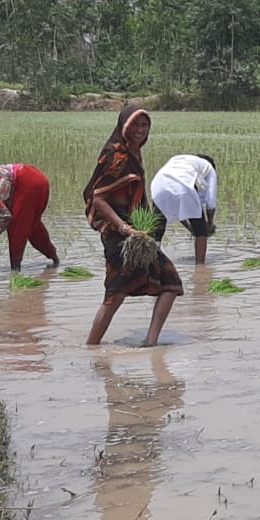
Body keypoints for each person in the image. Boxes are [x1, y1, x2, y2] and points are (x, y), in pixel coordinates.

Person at [82, 106, 183, 346]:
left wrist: (141, 228)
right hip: (118, 236)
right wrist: (125, 228)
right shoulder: (115, 156)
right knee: (115, 294)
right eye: (135, 125)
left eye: (144, 125)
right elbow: (98, 198)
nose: (140, 130)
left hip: (138, 234)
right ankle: (91, 347)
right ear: (124, 127)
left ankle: (151, 343)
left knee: (171, 282)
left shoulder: (135, 154)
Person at [150, 153, 218, 264]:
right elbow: (211, 202)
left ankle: (152, 263)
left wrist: (189, 227)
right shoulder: (209, 168)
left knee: (157, 230)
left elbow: (180, 209)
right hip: (183, 187)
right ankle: (200, 267)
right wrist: (209, 224)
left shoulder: (181, 161)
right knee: (201, 232)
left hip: (159, 186)